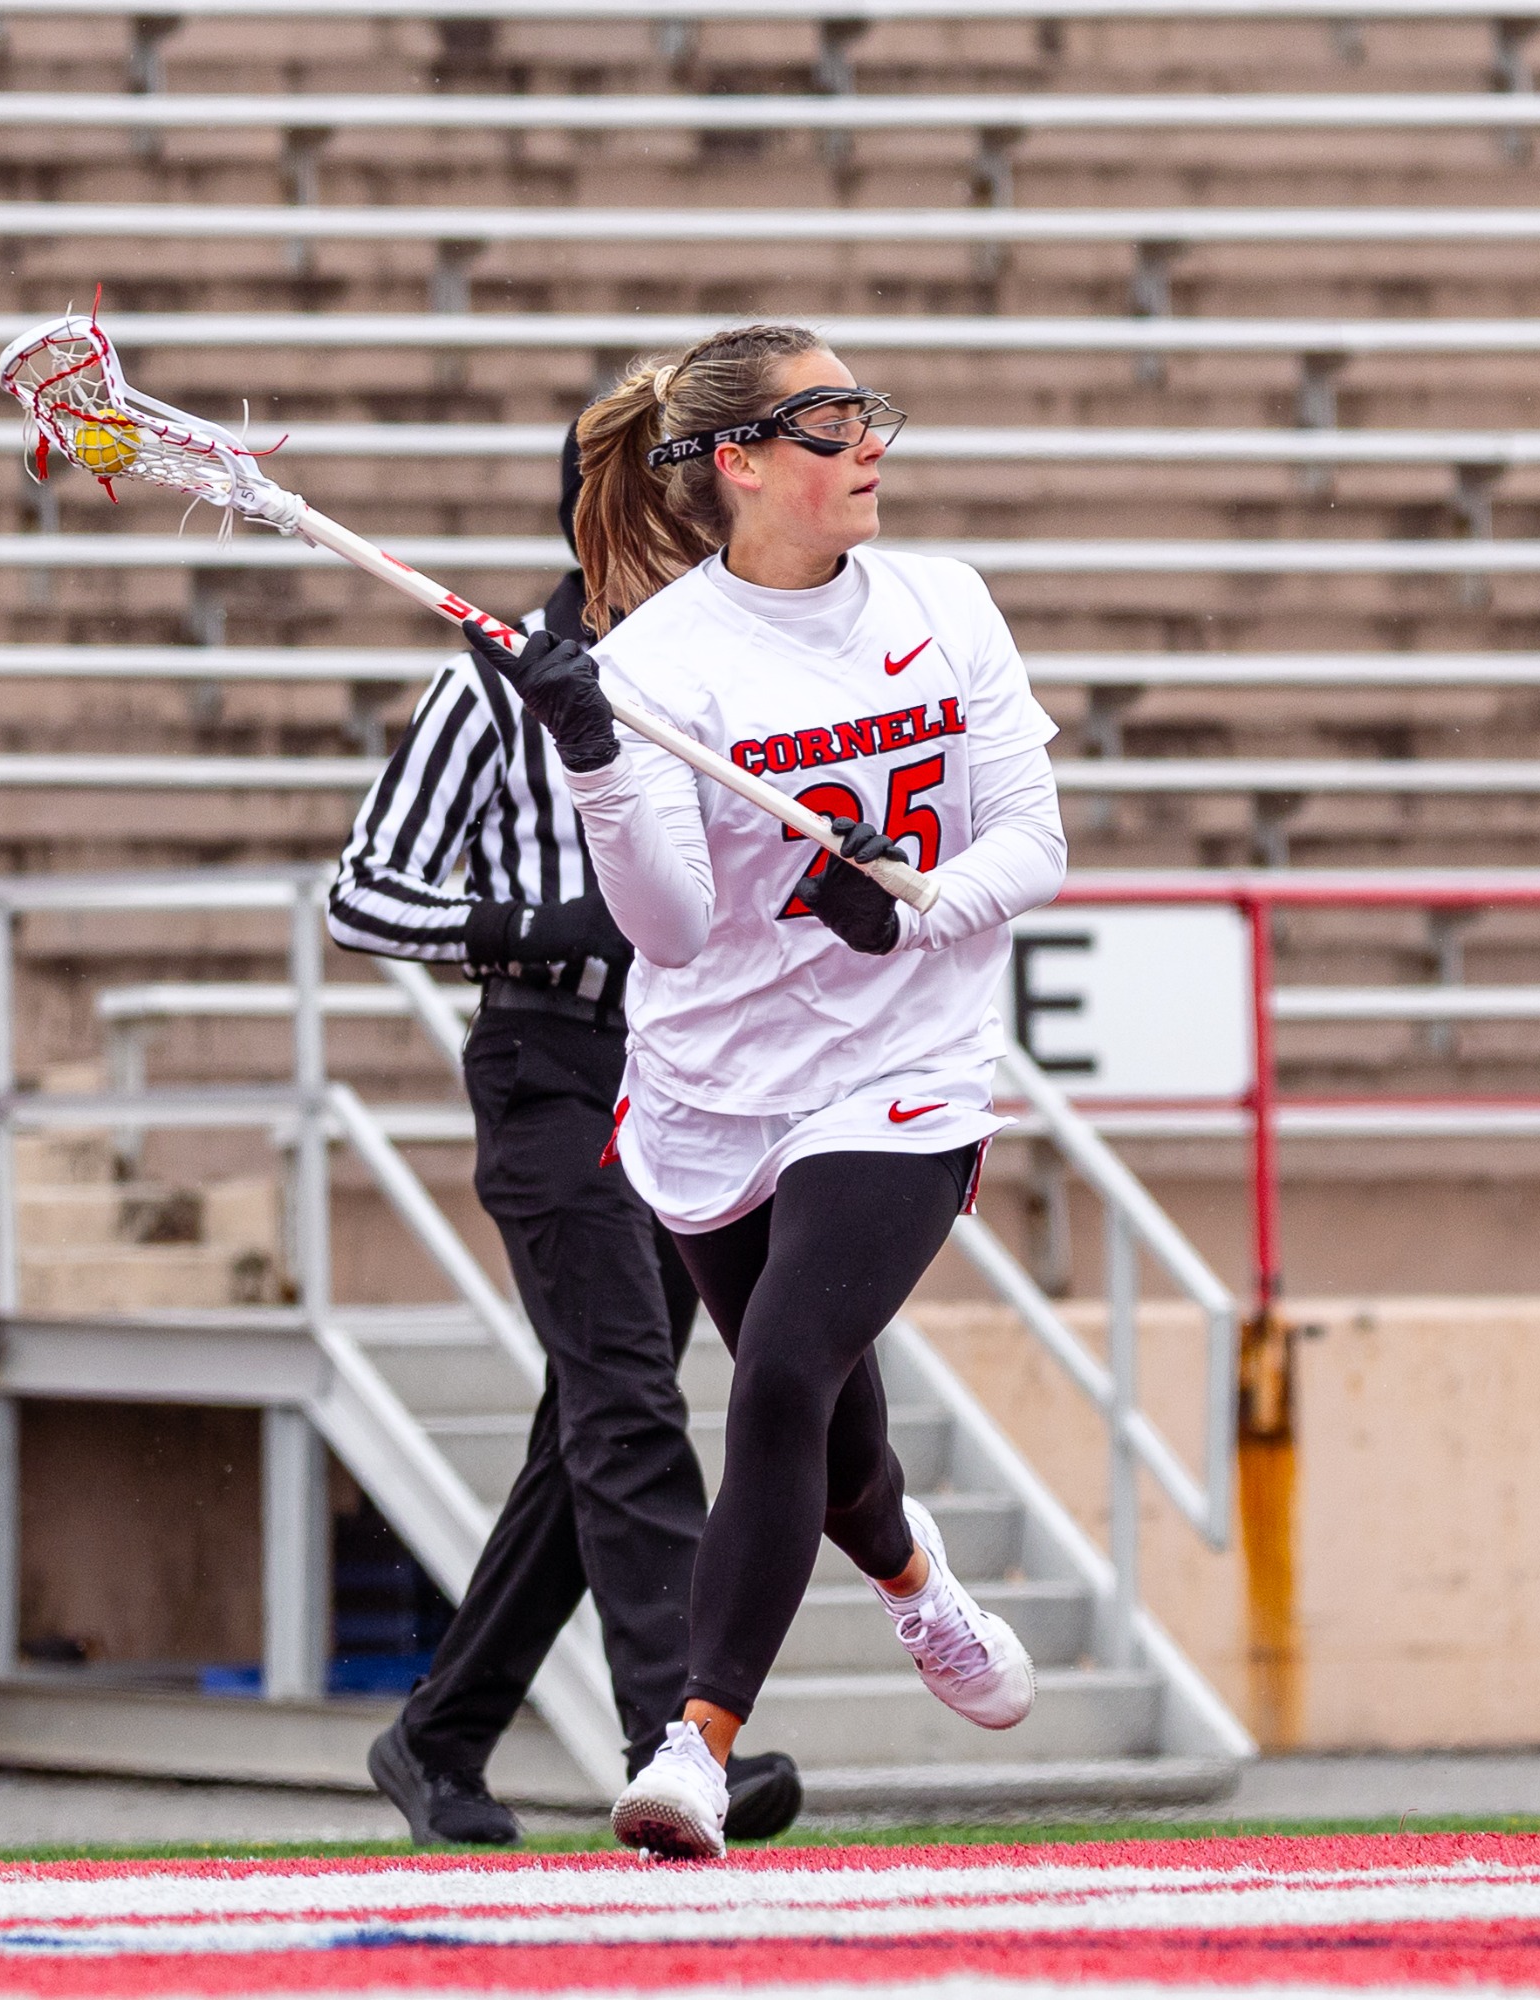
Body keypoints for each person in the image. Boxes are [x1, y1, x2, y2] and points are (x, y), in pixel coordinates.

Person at [467, 323, 1068, 1861]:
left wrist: (919, 905)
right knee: (835, 1431)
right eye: (825, 420)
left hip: (906, 1067)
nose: (868, 439)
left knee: (787, 1370)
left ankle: (693, 1745)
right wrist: (595, 753)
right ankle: (915, 1585)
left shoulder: (945, 604)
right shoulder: (660, 664)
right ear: (737, 464)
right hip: (717, 1081)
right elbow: (665, 926)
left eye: (867, 409)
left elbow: (1033, 841)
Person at [326, 421, 802, 1847]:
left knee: (587, 1429)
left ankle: (437, 1734)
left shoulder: (716, 674)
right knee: (628, 1407)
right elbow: (363, 896)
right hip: (551, 1073)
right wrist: (533, 928)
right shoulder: (490, 684)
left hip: (686, 1070)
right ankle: (680, 1740)